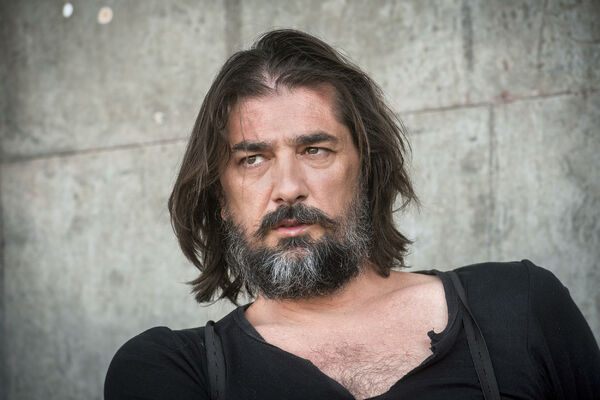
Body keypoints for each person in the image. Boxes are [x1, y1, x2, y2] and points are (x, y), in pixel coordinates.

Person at [105, 29, 600, 400]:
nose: (288, 188)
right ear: (220, 194)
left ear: (367, 169)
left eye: (315, 150)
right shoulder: (173, 370)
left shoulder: (521, 308)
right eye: (252, 159)